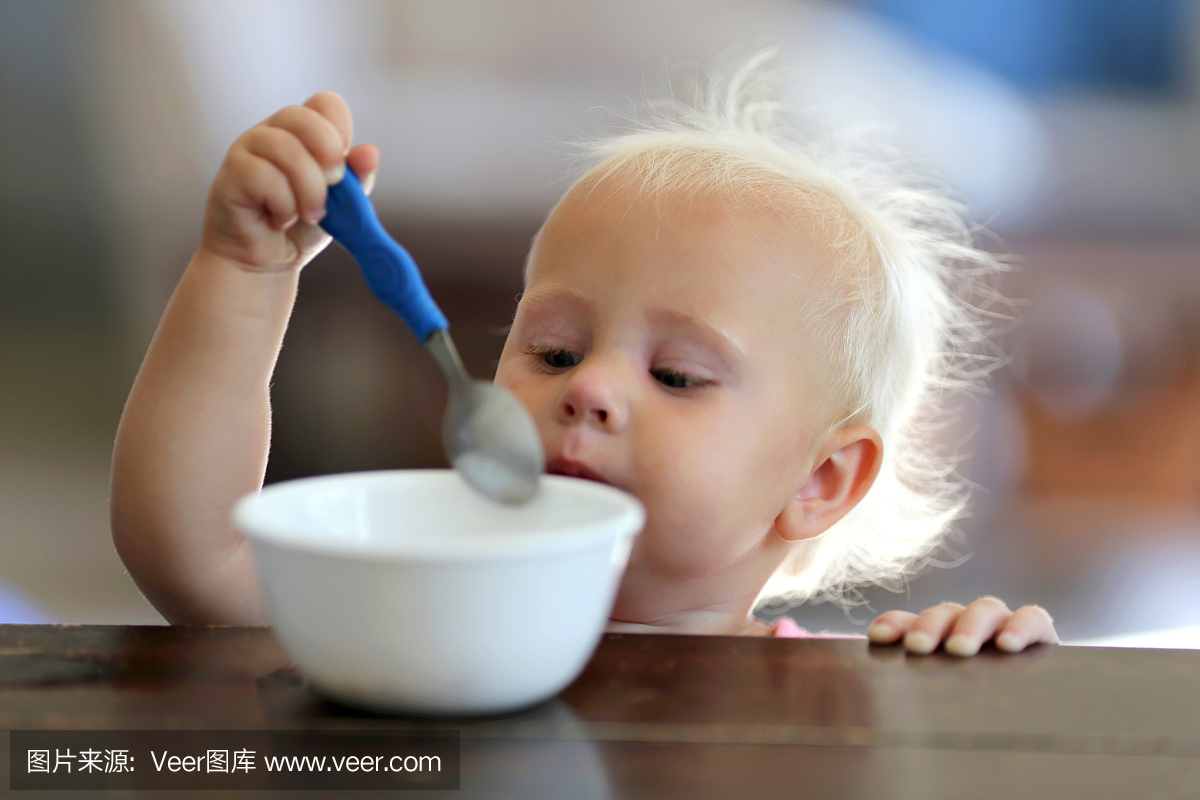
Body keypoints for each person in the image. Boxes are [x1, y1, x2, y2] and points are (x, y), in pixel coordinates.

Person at [111, 56, 1057, 656]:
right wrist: (244, 269)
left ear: (818, 480)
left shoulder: (830, 696)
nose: (592, 388)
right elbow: (200, 558)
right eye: (555, 351)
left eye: (677, 375)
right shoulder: (427, 615)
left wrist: (972, 665)